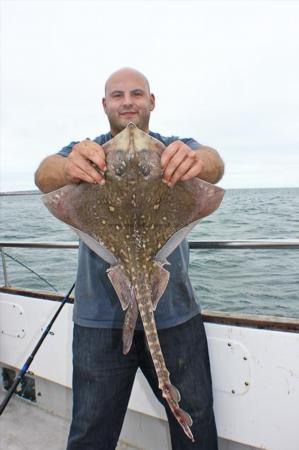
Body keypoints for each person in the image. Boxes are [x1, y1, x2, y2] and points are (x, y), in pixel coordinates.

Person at [35, 67, 224, 450]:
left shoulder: (173, 146)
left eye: (137, 94)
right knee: (91, 428)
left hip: (175, 315)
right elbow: (44, 174)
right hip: (99, 321)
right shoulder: (86, 151)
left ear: (151, 102)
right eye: (118, 95)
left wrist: (198, 161)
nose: (128, 102)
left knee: (197, 418)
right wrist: (68, 164)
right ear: (105, 104)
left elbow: (215, 163)